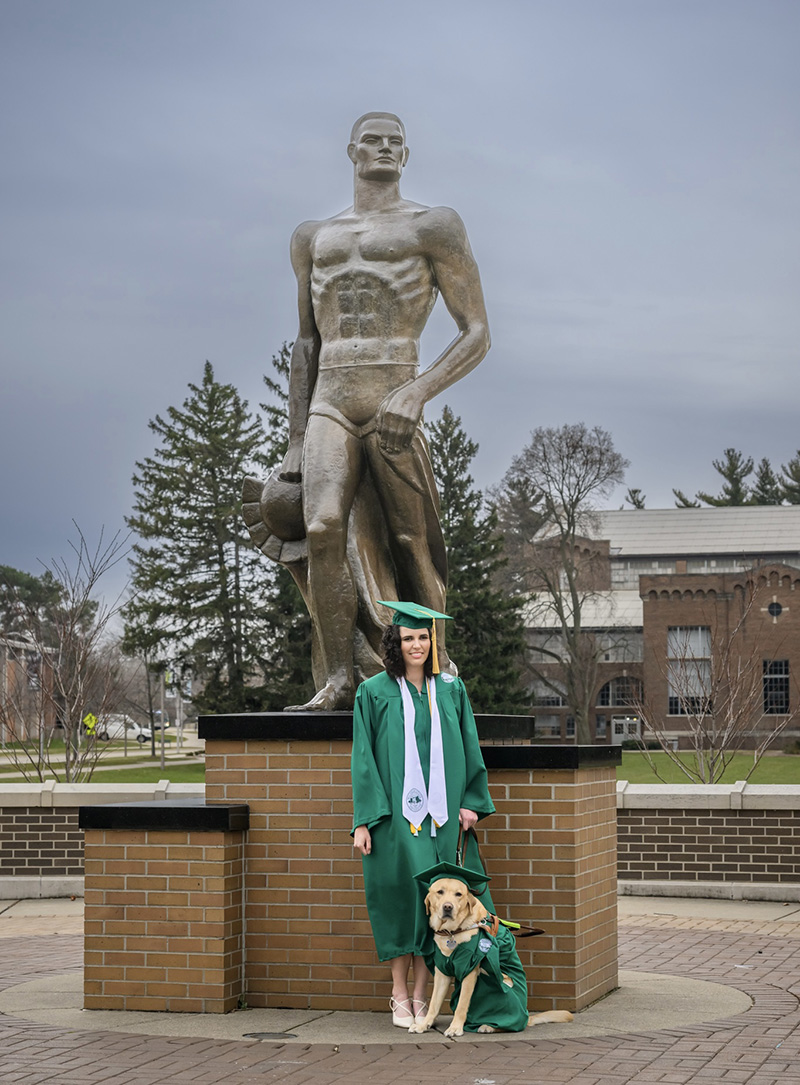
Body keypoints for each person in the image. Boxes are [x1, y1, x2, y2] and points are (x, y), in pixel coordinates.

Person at [273, 112, 490, 710]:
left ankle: (437, 672)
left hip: (394, 393)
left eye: (396, 141)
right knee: (320, 528)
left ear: (407, 155)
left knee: (411, 543)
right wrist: (295, 439)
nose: (385, 148)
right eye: (374, 139)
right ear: (351, 151)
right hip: (331, 402)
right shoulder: (312, 237)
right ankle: (340, 680)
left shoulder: (434, 225)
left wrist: (418, 392)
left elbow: (477, 333)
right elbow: (306, 342)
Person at [351, 600, 495, 1027]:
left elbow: (470, 746)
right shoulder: (373, 691)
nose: (416, 644)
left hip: (443, 820)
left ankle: (421, 995)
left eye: (422, 637)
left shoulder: (451, 690)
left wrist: (470, 799)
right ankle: (399, 993)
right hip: (394, 820)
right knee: (399, 900)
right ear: (395, 643)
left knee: (434, 907)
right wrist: (364, 819)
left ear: (433, 642)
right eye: (408, 638)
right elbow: (363, 759)